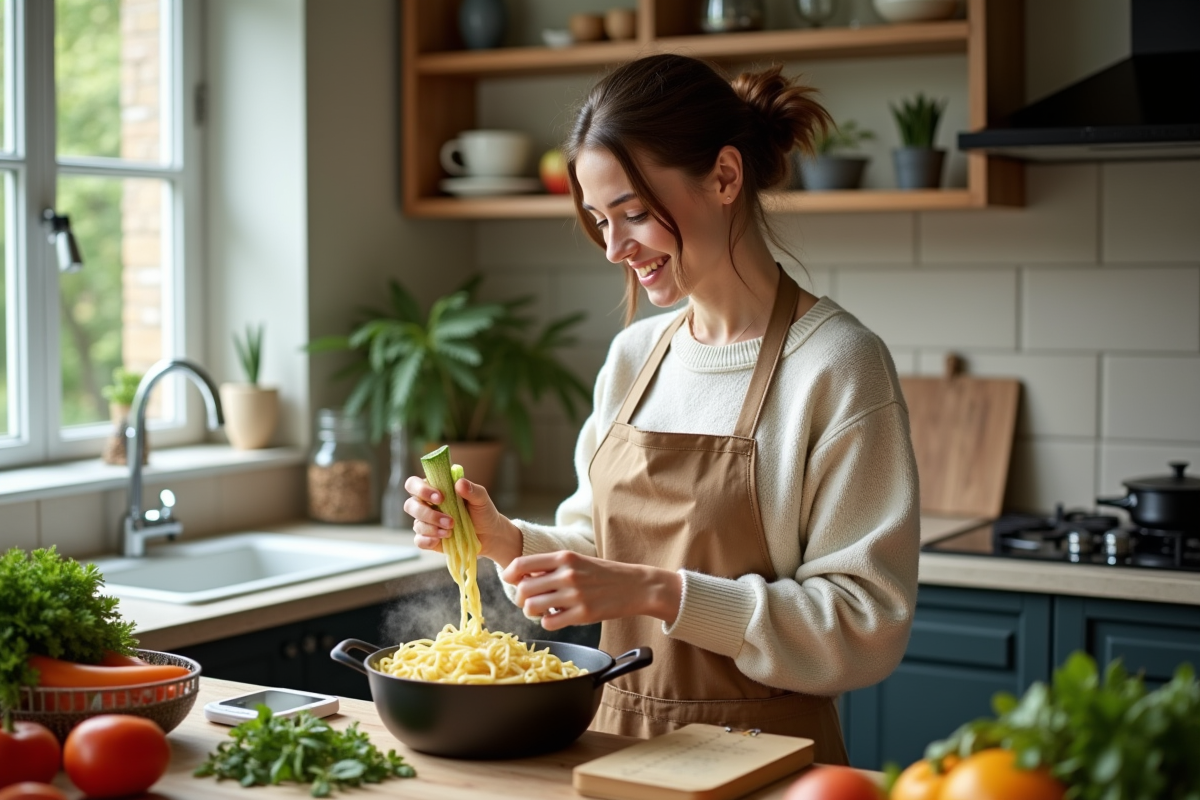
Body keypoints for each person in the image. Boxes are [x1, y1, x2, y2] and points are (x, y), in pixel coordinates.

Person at [404, 53, 920, 765]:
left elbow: (864, 629)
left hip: (767, 764)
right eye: (598, 219)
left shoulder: (836, 365)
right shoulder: (635, 358)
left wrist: (660, 590)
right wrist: (504, 540)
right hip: (614, 752)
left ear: (726, 177)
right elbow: (595, 563)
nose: (615, 248)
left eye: (635, 214)